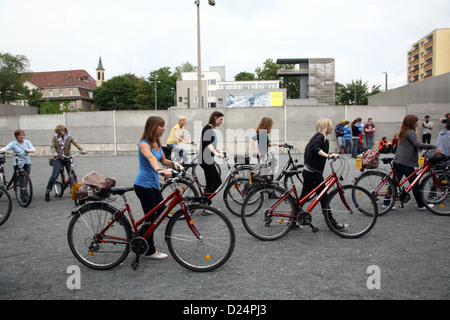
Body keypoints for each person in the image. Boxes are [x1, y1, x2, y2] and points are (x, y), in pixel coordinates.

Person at [134, 116, 181, 260]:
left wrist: (173, 164)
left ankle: (138, 237)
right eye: (161, 126)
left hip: (153, 185)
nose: (164, 129)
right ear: (152, 127)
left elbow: (162, 160)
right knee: (151, 217)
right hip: (143, 185)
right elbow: (151, 158)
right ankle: (149, 250)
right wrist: (159, 171)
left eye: (164, 126)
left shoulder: (157, 144)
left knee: (160, 210)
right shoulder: (144, 144)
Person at [299, 118, 346, 230]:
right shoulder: (320, 137)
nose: (332, 127)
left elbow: (318, 150)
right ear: (325, 126)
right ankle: (332, 224)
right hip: (314, 174)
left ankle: (293, 219)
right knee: (324, 198)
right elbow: (315, 148)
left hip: (309, 171)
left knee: (303, 198)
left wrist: (329, 154)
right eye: (330, 125)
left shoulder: (319, 137)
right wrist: (328, 156)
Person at [387, 115, 441, 211]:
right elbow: (418, 144)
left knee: (394, 183)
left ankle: (386, 203)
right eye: (416, 121)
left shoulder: (403, 132)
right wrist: (433, 146)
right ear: (412, 122)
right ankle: (421, 205)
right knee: (415, 183)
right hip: (406, 162)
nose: (417, 123)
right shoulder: (410, 132)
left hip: (398, 161)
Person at [45, 125, 86, 201]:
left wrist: (82, 150)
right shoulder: (55, 137)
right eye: (58, 133)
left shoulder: (69, 137)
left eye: (60, 133)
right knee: (54, 175)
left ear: (64, 131)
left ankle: (73, 190)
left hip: (67, 157)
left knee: (72, 174)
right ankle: (48, 191)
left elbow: (76, 143)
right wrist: (54, 153)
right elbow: (52, 146)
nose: (59, 135)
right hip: (58, 158)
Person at [1, 130, 35, 201]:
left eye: (22, 135)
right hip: (18, 163)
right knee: (21, 180)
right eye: (20, 135)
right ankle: (24, 196)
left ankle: (24, 193)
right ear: (16, 136)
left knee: (26, 179)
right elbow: (6, 148)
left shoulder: (27, 142)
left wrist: (29, 150)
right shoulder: (13, 144)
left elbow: (33, 149)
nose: (21, 136)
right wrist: (1, 151)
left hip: (27, 162)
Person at [200, 111, 225, 194]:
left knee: (210, 183)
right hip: (205, 160)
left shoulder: (210, 129)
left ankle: (205, 202)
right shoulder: (208, 129)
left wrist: (220, 151)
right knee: (218, 183)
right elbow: (208, 145)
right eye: (220, 119)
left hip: (207, 159)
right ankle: (205, 199)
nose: (221, 121)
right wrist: (217, 154)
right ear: (215, 118)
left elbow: (212, 144)